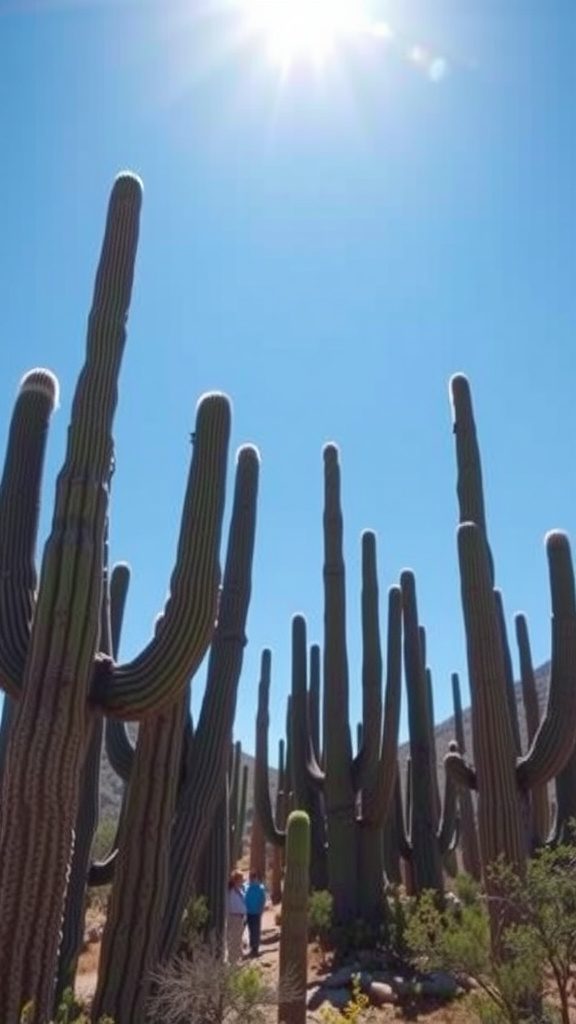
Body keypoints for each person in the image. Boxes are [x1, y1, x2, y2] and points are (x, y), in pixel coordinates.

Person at [244, 871, 267, 957]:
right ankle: (253, 948)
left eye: (253, 877)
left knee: (254, 930)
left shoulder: (257, 888)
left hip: (253, 912)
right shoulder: (252, 887)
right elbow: (263, 900)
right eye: (252, 877)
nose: (252, 879)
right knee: (253, 930)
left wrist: (261, 909)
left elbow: (263, 900)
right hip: (252, 912)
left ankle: (254, 949)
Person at [227, 869, 246, 963]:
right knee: (234, 939)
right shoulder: (230, 892)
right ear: (236, 880)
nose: (242, 881)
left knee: (238, 939)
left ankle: (237, 959)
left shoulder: (239, 890)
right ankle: (232, 961)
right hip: (234, 917)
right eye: (241, 879)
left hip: (240, 918)